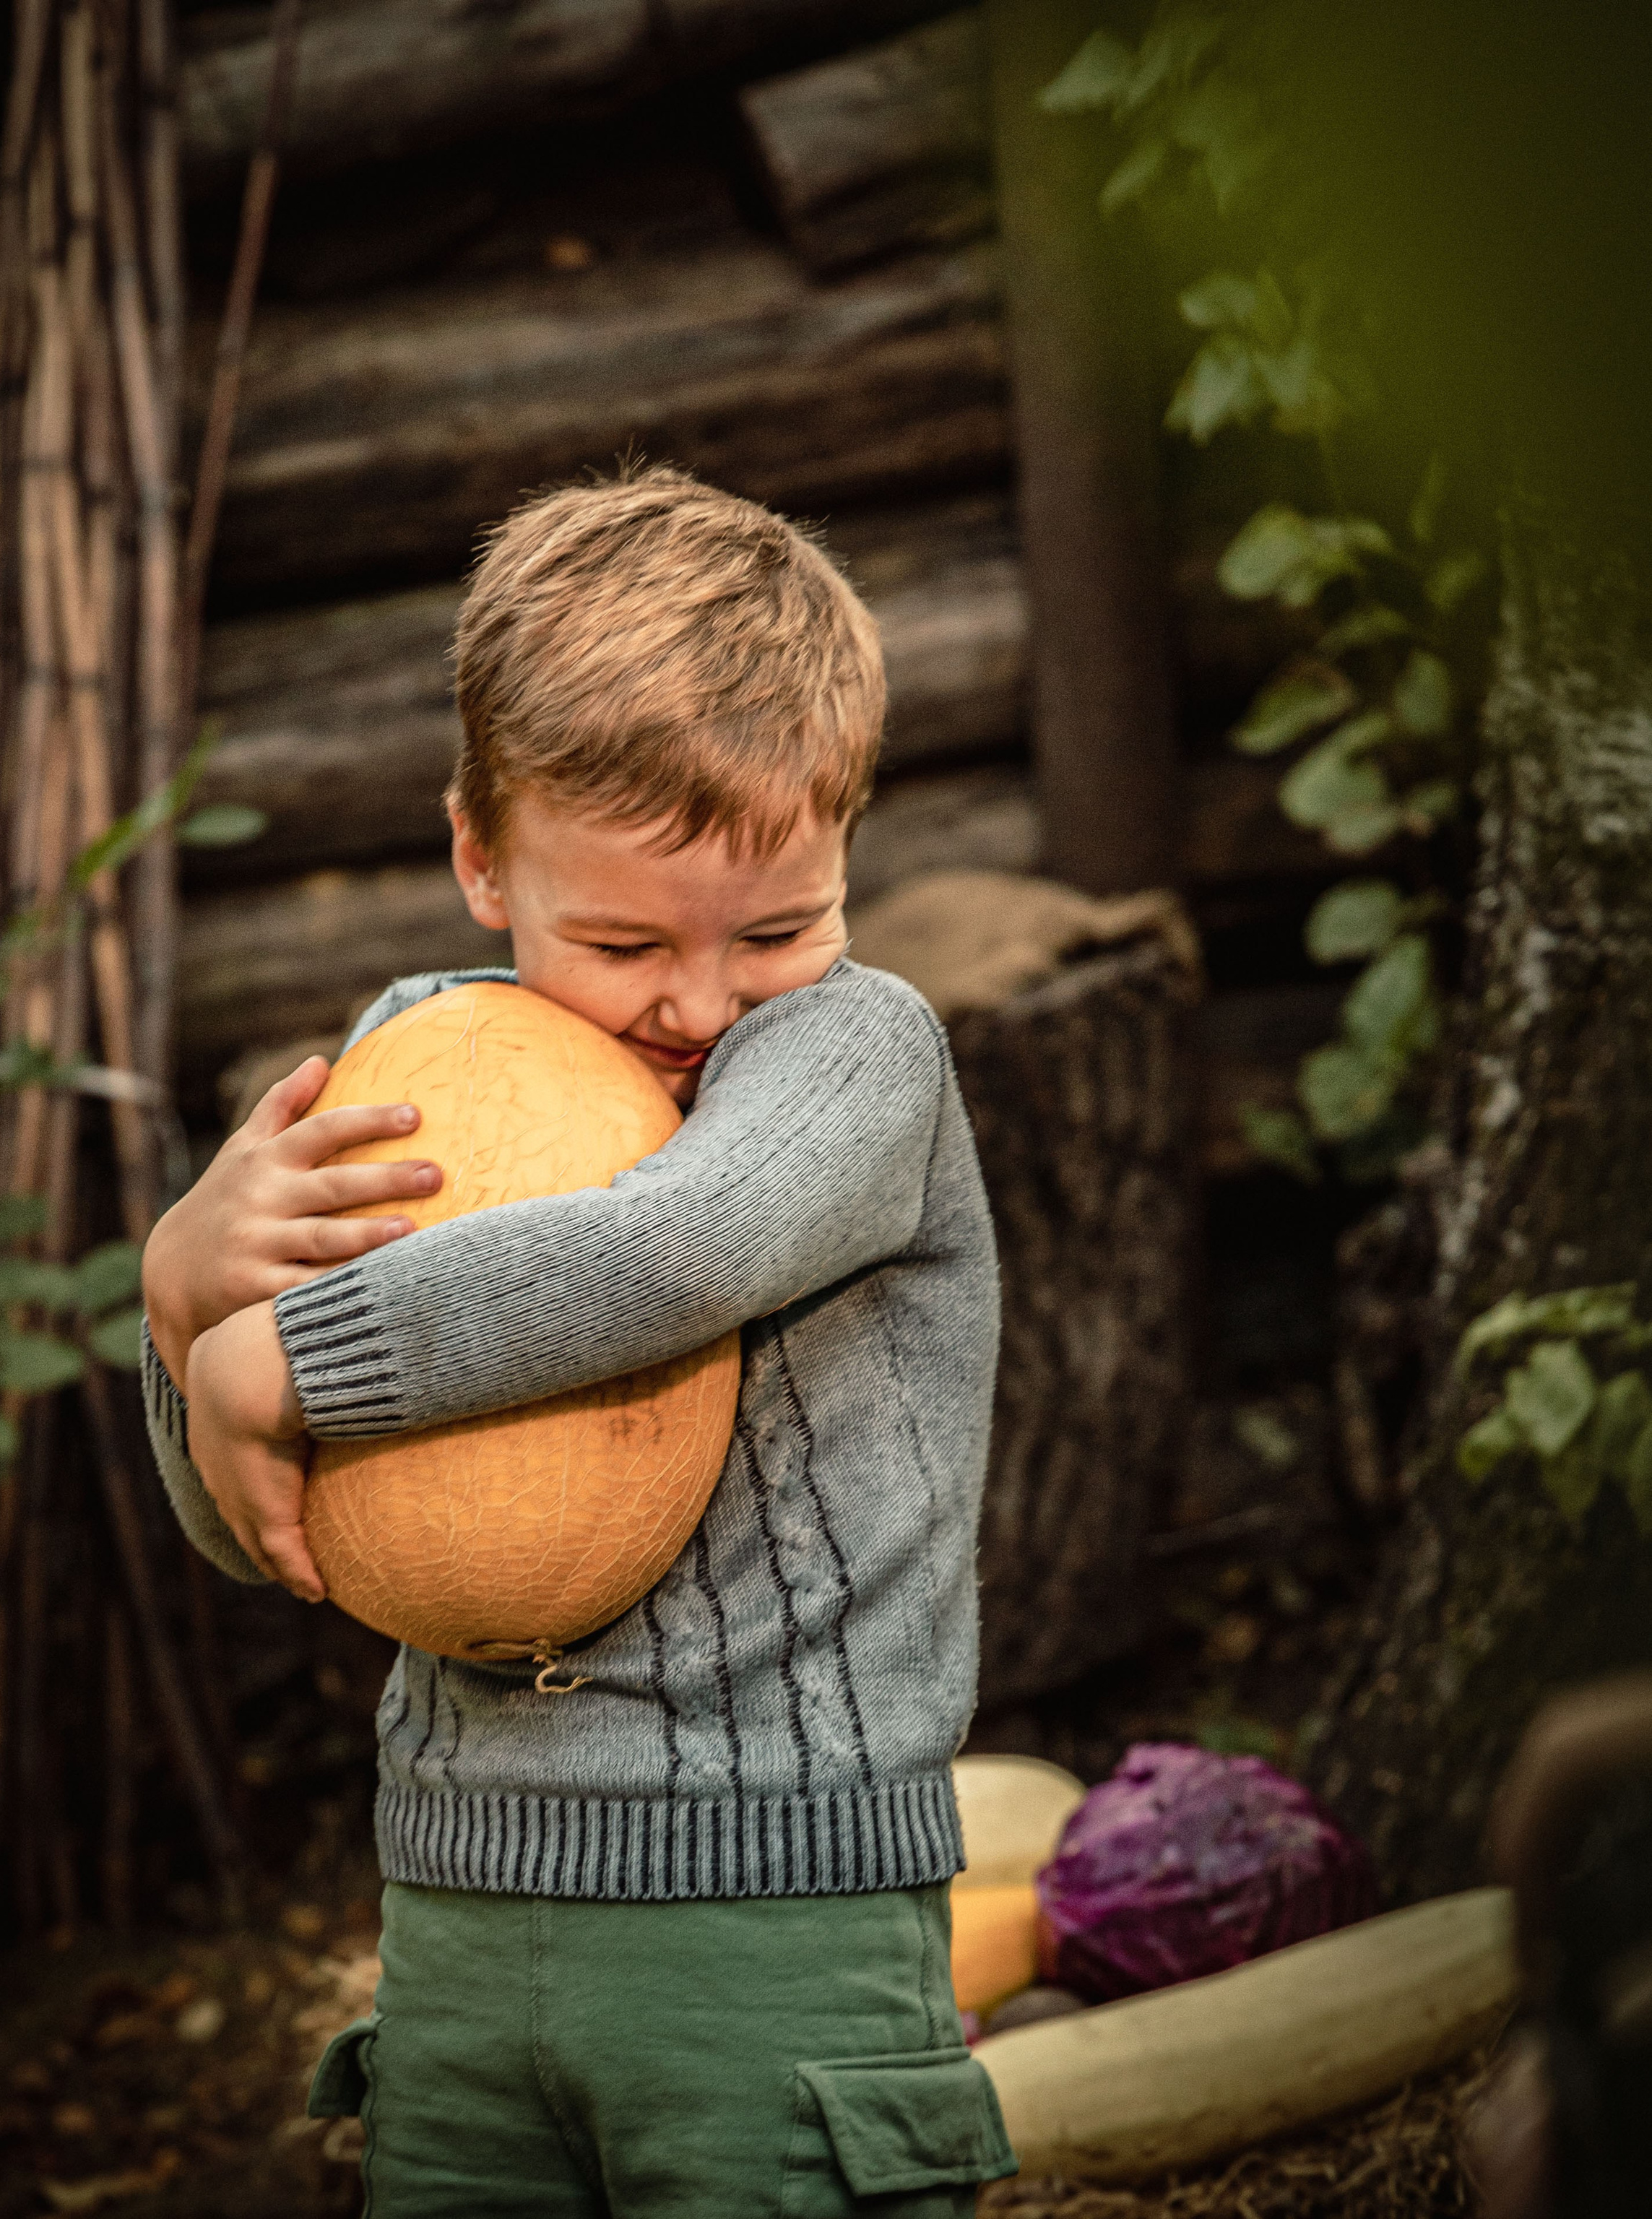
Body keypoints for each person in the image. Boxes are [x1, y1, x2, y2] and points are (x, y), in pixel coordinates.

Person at [139, 465, 1016, 2215]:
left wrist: (287, 1353)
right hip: (454, 1920)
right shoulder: (420, 1064)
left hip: (771, 1939)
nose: (697, 999)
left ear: (845, 842)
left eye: (773, 926)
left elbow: (670, 1250)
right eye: (621, 939)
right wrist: (181, 1308)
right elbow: (267, 1537)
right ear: (479, 855)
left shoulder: (852, 1056)